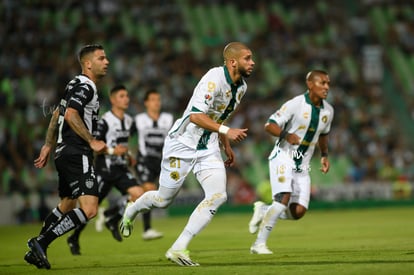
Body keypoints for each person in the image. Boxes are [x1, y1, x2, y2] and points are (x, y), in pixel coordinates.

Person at [120, 41, 255, 266]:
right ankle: (132, 209)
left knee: (218, 196)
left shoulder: (241, 87)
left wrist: (225, 143)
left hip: (208, 147)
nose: (252, 63)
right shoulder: (213, 79)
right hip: (182, 144)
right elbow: (195, 116)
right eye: (247, 58)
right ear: (233, 62)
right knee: (163, 200)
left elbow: (219, 117)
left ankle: (179, 248)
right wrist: (226, 131)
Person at [24, 44, 109, 269]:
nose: (106, 62)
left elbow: (56, 114)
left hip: (63, 152)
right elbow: (70, 114)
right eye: (101, 58)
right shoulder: (87, 86)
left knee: (67, 204)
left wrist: (47, 145)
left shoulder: (73, 84)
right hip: (76, 152)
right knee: (90, 209)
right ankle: (40, 242)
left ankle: (37, 249)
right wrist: (91, 140)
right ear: (88, 64)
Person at [248, 70, 334, 254]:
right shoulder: (296, 104)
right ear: (310, 84)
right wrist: (286, 135)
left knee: (298, 212)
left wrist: (325, 155)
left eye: (328, 83)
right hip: (283, 156)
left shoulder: (328, 111)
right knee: (282, 199)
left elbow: (324, 134)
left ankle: (263, 210)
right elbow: (269, 125)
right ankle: (259, 244)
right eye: (322, 83)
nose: (326, 87)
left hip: (301, 165)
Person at [66, 84, 147, 255]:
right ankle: (74, 237)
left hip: (121, 168)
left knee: (139, 195)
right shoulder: (104, 121)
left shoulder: (129, 121)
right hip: (104, 170)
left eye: (127, 96)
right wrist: (112, 151)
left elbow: (122, 144)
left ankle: (113, 218)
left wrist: (128, 155)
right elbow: (94, 145)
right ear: (113, 99)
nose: (126, 99)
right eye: (122, 96)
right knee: (90, 211)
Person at [133, 88, 174, 240]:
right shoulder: (138, 120)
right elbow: (126, 136)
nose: (157, 103)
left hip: (162, 162)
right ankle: (147, 229)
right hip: (144, 160)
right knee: (148, 190)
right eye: (153, 100)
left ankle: (116, 210)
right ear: (146, 103)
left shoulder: (168, 119)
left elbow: (175, 137)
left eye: (158, 99)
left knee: (154, 196)